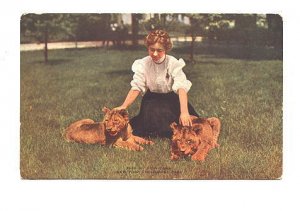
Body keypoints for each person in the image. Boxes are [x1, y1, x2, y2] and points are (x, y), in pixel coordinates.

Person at [114, 29, 199, 138]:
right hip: (152, 99)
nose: (155, 53)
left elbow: (181, 87)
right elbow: (137, 87)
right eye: (152, 49)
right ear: (148, 48)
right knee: (152, 125)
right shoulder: (144, 63)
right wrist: (124, 105)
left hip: (171, 99)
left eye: (159, 50)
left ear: (166, 50)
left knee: (183, 124)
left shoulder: (172, 63)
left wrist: (184, 112)